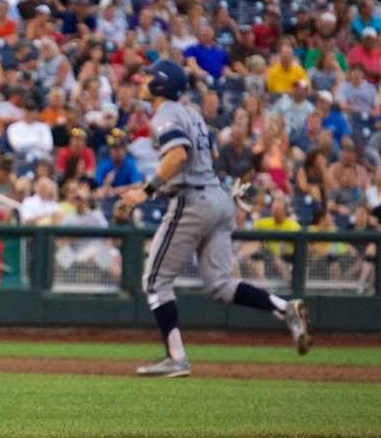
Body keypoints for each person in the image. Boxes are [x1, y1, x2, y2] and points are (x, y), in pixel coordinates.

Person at [120, 59, 311, 378]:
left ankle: (176, 357)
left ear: (161, 84)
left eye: (150, 76)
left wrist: (146, 191)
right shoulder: (191, 114)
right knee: (220, 286)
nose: (144, 80)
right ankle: (283, 308)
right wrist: (149, 190)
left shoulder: (165, 112)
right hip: (217, 199)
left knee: (154, 282)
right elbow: (189, 163)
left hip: (194, 201)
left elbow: (178, 156)